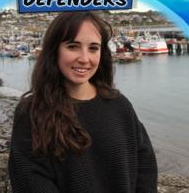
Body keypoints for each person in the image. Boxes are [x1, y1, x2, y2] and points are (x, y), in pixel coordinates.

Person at [8, 11, 157, 193]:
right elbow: (30, 178)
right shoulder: (31, 112)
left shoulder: (119, 105)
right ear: (54, 50)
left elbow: (145, 166)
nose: (84, 58)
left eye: (93, 48)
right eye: (73, 46)